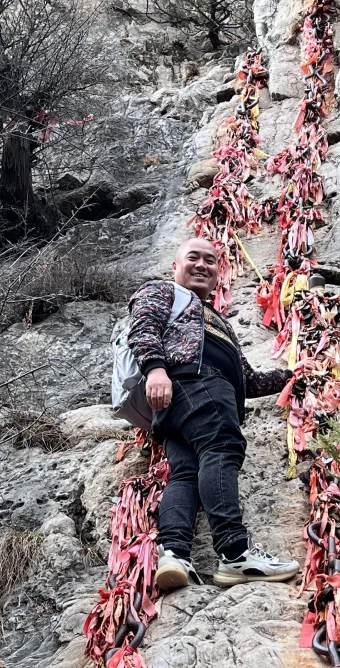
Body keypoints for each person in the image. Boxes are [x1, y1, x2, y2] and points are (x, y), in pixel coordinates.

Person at [127, 237, 301, 591]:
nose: (202, 265)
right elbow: (143, 326)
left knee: (186, 474)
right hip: (196, 382)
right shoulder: (163, 292)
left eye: (211, 260)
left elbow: (247, 379)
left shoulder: (216, 320)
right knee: (221, 447)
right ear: (175, 266)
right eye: (193, 258)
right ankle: (235, 553)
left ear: (219, 273)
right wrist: (155, 369)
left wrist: (294, 376)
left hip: (177, 405)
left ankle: (173, 554)